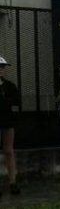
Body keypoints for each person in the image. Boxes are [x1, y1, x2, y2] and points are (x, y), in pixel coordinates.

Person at [0, 56, 21, 196]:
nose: (1, 70)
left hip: (7, 121)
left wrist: (6, 101)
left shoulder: (9, 85)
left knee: (9, 151)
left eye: (3, 67)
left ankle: (13, 182)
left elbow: (17, 101)